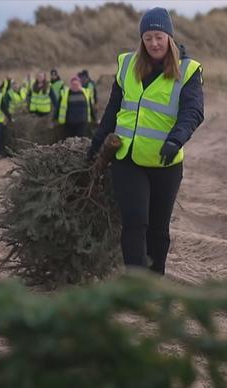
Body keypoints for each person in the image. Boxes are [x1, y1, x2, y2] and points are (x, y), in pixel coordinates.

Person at [86, 7, 204, 275]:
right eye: (148, 37)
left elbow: (193, 112)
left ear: (169, 38)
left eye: (159, 36)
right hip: (127, 159)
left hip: (166, 161)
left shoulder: (188, 71)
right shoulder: (127, 65)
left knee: (158, 229)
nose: (153, 43)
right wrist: (96, 145)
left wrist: (176, 139)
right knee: (135, 221)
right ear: (141, 39)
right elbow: (112, 110)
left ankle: (154, 283)